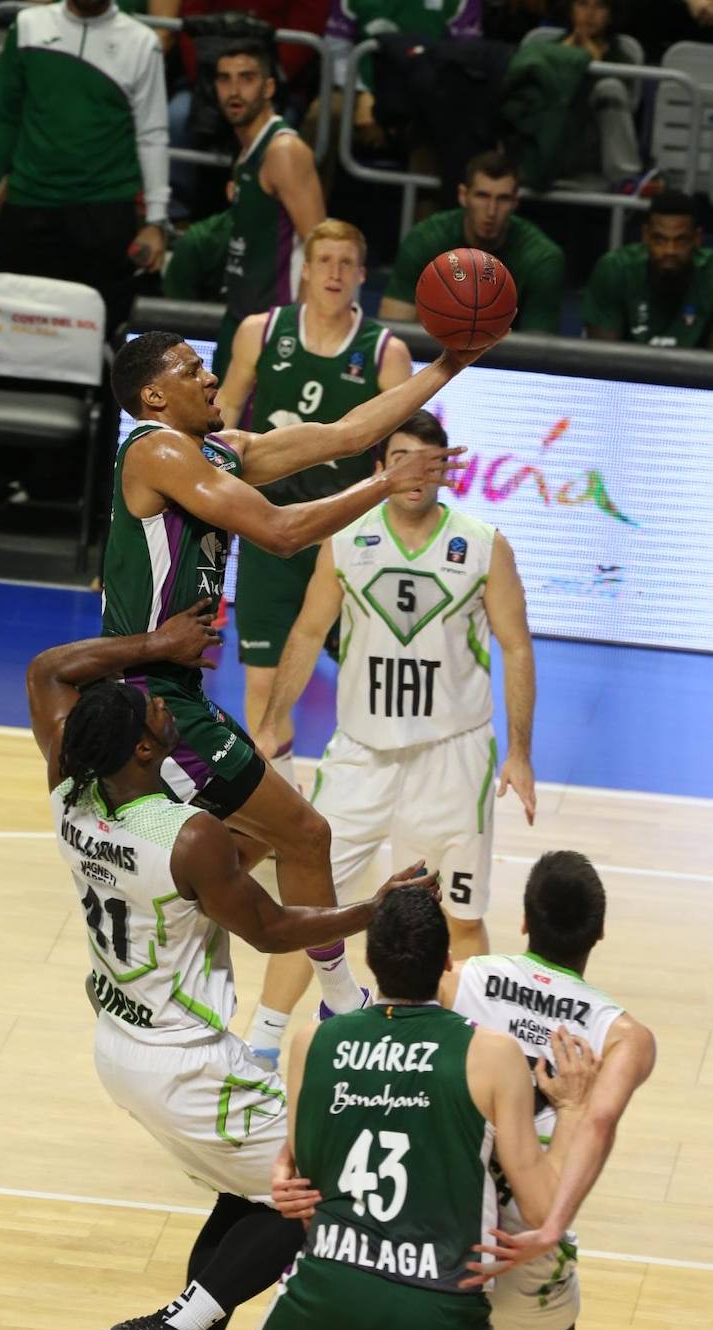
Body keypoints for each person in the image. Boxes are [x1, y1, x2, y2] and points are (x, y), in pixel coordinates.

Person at [26, 598, 441, 1330]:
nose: (164, 697)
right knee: (321, 1181)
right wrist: (373, 906)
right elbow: (271, 929)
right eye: (155, 704)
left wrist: (151, 643)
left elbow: (48, 670)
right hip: (184, 1062)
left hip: (123, 1046)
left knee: (255, 1185)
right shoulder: (190, 837)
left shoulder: (70, 788)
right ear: (149, 750)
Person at [103, 328, 486, 1041]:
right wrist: (384, 483)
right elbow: (280, 532)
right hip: (146, 703)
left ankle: (180, 972)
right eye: (193, 370)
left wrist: (447, 364)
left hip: (174, 690)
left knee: (242, 849)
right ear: (154, 395)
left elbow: (345, 433)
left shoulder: (217, 450)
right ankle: (340, 1003)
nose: (211, 377)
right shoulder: (154, 448)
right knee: (306, 835)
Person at [249, 410, 536, 1066]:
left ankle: (478, 1057)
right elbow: (303, 633)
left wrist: (519, 751)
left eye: (426, 460)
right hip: (359, 754)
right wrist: (270, 724)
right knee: (311, 902)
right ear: (380, 467)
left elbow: (516, 648)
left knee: (459, 917)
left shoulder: (483, 544)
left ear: (444, 470)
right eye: (399, 457)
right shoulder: (346, 537)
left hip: (452, 756)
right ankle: (262, 1044)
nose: (412, 472)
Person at [239, 886, 598, 1330]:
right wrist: (574, 1109)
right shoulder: (491, 1054)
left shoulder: (313, 1041)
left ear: (371, 960)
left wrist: (283, 1166)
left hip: (329, 1291)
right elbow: (540, 1210)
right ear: (448, 963)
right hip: (439, 1313)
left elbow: (304, 1176)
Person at [442, 850, 657, 1330]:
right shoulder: (625, 1036)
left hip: (445, 1238)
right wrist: (550, 1227)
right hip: (528, 1248)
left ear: (523, 920)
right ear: (599, 931)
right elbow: (598, 1122)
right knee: (551, 1322)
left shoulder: (454, 978)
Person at [217, 217, 413, 780]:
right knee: (264, 679)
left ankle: (369, 792)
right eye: (324, 261)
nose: (334, 273)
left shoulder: (385, 353)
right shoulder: (261, 330)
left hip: (346, 536)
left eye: (346, 263)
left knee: (368, 677)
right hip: (270, 526)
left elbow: (397, 446)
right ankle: (279, 801)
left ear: (361, 275)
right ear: (304, 270)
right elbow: (226, 412)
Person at [0, 0, 169, 333]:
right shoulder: (27, 27)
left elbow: (152, 133)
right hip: (28, 208)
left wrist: (155, 220)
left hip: (105, 213)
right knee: (16, 334)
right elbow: (5, 121)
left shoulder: (141, 42)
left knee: (94, 339)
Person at [212, 40, 326, 381]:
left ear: (269, 86)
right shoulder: (248, 150)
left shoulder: (283, 150)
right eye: (224, 78)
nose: (234, 90)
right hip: (241, 316)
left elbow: (321, 246)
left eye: (246, 78)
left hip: (276, 329)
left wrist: (298, 336)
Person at [380, 151, 565, 335]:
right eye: (482, 196)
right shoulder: (425, 240)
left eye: (503, 199)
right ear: (463, 195)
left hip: (505, 360)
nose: (491, 211)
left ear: (515, 202)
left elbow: (538, 351)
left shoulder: (541, 258)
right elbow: (394, 331)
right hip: (434, 353)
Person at [583, 189, 713, 348]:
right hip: (627, 371)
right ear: (646, 235)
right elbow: (601, 358)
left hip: (695, 372)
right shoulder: (616, 269)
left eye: (681, 240)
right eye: (660, 239)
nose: (669, 251)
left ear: (697, 239)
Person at [559, 0, 643, 188]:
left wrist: (596, 62)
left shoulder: (621, 58)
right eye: (582, 4)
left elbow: (625, 97)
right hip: (555, 142)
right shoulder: (549, 48)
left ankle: (625, 180)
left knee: (610, 87)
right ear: (570, 9)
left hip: (599, 147)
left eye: (600, 6)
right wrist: (561, 56)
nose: (590, 13)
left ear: (611, 15)